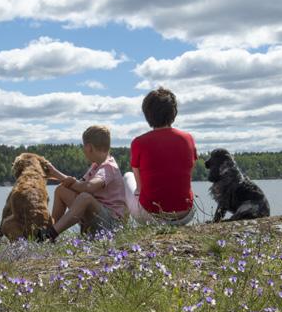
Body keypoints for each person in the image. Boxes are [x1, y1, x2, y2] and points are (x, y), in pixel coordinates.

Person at [38, 125, 126, 242]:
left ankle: (50, 234)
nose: (84, 150)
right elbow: (79, 185)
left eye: (83, 146)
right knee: (61, 190)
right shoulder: (96, 165)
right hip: (97, 217)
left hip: (111, 225)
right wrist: (54, 175)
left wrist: (56, 173)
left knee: (85, 198)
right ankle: (51, 229)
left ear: (89, 147)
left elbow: (88, 188)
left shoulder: (108, 167)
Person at [124, 87, 197, 225]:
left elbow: (139, 188)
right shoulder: (188, 138)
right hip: (186, 214)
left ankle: (121, 228)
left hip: (152, 218)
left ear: (147, 114)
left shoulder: (139, 142)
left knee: (127, 176)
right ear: (174, 113)